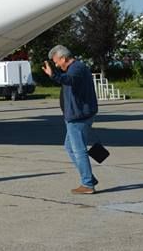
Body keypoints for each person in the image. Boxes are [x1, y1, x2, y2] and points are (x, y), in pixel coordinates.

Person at [42, 44, 99, 194]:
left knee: (79, 150)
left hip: (78, 116)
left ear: (63, 58)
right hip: (75, 115)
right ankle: (89, 178)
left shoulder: (76, 69)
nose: (56, 64)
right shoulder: (75, 68)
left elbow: (69, 80)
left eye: (56, 61)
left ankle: (87, 184)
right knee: (69, 147)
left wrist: (53, 75)